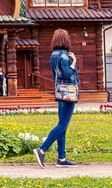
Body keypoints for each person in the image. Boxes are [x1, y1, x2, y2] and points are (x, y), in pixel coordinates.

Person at [34, 29, 79, 168]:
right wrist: (74, 62)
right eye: (68, 37)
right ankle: (42, 149)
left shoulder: (54, 55)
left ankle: (62, 158)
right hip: (68, 92)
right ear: (64, 39)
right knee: (62, 125)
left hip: (59, 92)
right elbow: (67, 74)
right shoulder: (65, 56)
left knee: (62, 126)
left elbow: (56, 75)